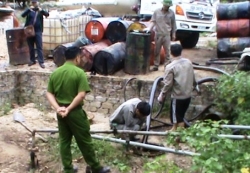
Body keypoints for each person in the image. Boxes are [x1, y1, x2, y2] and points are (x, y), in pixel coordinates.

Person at [46, 46, 110, 173]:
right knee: (84, 140)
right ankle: (96, 167)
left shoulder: (56, 73)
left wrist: (59, 108)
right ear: (77, 58)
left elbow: (49, 93)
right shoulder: (79, 73)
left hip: (61, 113)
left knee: (64, 141)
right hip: (74, 112)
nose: (82, 60)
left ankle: (68, 168)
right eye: (81, 57)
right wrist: (69, 109)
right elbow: (81, 95)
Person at [157, 44, 197, 131]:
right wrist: (195, 85)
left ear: (171, 53)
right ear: (180, 51)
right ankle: (174, 129)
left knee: (179, 118)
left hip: (178, 96)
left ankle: (179, 137)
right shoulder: (188, 62)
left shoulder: (170, 67)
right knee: (178, 115)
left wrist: (162, 94)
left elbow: (168, 84)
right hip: (188, 95)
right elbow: (193, 76)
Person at [144, 0, 176, 71]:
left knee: (167, 51)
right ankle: (156, 66)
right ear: (163, 5)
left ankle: (167, 66)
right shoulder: (157, 12)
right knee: (157, 51)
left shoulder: (171, 13)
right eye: (166, 5)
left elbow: (173, 24)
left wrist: (173, 34)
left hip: (167, 34)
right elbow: (153, 21)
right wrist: (149, 28)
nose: (167, 7)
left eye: (168, 6)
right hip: (158, 34)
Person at [21, 0, 49, 69]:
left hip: (38, 31)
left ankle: (41, 62)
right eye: (33, 2)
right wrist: (28, 10)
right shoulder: (29, 10)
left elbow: (47, 14)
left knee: (39, 47)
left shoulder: (40, 11)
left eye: (35, 2)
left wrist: (41, 10)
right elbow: (22, 15)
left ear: (37, 3)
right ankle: (32, 60)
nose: (34, 4)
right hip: (30, 31)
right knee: (31, 47)